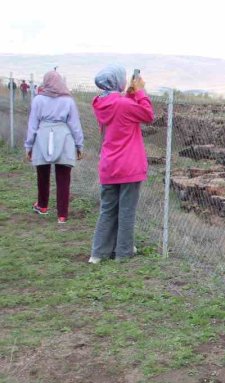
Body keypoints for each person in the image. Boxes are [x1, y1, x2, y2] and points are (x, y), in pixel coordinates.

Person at [88, 65, 154, 264]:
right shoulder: (123, 105)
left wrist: (130, 95)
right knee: (126, 211)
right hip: (129, 166)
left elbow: (121, 110)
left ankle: (98, 253)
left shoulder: (102, 104)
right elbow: (147, 115)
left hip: (109, 165)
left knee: (108, 209)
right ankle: (123, 252)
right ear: (118, 81)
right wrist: (140, 92)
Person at [24, 70, 84, 223]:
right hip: (64, 137)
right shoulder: (68, 101)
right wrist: (79, 145)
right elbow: (75, 125)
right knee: (63, 177)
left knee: (42, 174)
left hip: (42, 136)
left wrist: (29, 146)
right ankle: (62, 214)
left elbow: (33, 124)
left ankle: (42, 205)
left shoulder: (38, 100)